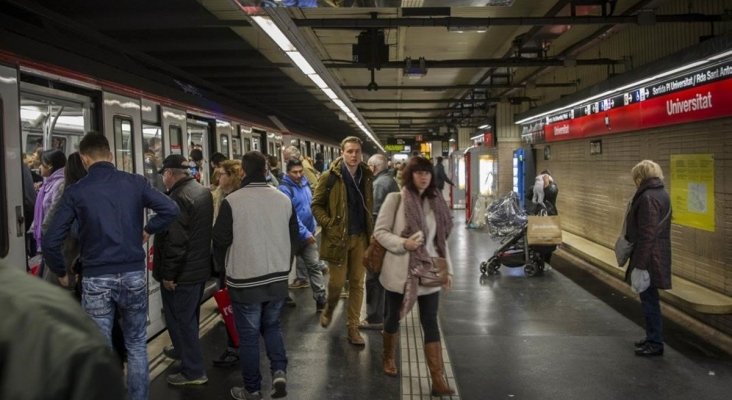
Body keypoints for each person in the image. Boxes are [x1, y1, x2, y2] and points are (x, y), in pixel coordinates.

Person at [44, 133, 179, 400]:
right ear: (111, 155)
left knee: (101, 350)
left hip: (96, 278)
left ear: (84, 159)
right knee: (137, 344)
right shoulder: (135, 183)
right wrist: (148, 230)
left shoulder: (76, 191)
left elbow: (50, 240)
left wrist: (61, 272)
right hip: (132, 274)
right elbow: (171, 209)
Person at [213, 151, 298, 400]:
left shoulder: (233, 201)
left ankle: (252, 389)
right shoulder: (284, 199)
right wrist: (285, 265)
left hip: (245, 280)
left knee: (249, 337)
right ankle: (279, 371)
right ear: (265, 170)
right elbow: (294, 239)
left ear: (242, 172)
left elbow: (219, 240)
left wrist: (223, 267)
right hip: (277, 279)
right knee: (272, 326)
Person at [374, 156, 455, 396]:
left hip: (427, 272)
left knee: (430, 322)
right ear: (410, 175)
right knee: (392, 318)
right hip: (399, 271)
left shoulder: (436, 202)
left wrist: (447, 269)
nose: (424, 177)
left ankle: (437, 379)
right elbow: (380, 232)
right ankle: (388, 357)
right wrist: (403, 243)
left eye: (427, 173)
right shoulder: (395, 199)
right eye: (419, 172)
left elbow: (441, 241)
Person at [0, 263, 127, 400]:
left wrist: (61, 272)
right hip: (126, 273)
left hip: (93, 278)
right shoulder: (56, 322)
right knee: (134, 342)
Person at [153, 154, 214, 385]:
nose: (163, 180)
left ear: (169, 173)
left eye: (164, 175)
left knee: (181, 320)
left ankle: (194, 371)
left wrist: (169, 275)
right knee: (189, 318)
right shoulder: (201, 191)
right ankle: (184, 353)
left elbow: (176, 243)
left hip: (181, 274)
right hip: (197, 270)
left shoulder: (177, 198)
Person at [312, 136, 374, 346]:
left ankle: (353, 328)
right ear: (342, 152)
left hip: (361, 237)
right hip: (338, 240)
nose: (354, 155)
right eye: (350, 151)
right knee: (337, 284)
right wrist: (328, 223)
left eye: (357, 151)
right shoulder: (330, 177)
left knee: (357, 283)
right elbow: (316, 205)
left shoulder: (366, 175)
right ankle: (329, 308)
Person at [625, 160, 672, 357]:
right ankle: (653, 337)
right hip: (658, 253)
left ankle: (655, 342)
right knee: (650, 299)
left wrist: (640, 264)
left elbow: (647, 233)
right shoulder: (662, 193)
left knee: (649, 300)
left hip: (650, 257)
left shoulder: (647, 197)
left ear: (640, 177)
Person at [279, 159, 327, 312]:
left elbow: (309, 206)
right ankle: (282, 296)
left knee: (314, 266)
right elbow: (290, 215)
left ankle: (321, 298)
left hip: (308, 234)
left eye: (300, 171)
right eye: (295, 172)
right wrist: (305, 233)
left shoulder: (305, 184)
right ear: (288, 172)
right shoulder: (284, 189)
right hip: (291, 237)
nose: (299, 175)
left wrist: (312, 226)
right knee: (284, 269)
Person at [210, 159, 244, 368]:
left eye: (222, 174)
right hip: (226, 259)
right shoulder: (218, 197)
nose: (218, 178)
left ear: (232, 176)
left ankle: (236, 348)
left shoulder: (234, 201)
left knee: (235, 306)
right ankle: (236, 346)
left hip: (234, 260)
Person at [360, 154, 399, 331]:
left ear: (374, 168)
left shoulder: (378, 185)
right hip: (391, 237)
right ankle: (388, 314)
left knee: (374, 278)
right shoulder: (390, 181)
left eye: (368, 165)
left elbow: (373, 215)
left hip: (380, 239)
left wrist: (371, 242)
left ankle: (375, 317)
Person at [32, 149, 66, 256]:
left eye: (42, 164)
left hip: (52, 238)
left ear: (50, 165)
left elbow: (53, 212)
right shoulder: (49, 184)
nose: (39, 167)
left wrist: (42, 230)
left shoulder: (60, 185)